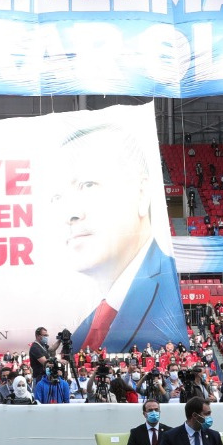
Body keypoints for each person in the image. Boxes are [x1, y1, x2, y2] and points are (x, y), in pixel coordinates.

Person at [50, 124, 186, 351]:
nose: (70, 214)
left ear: (142, 192)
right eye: (57, 197)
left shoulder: (165, 292)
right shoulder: (84, 329)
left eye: (87, 185)